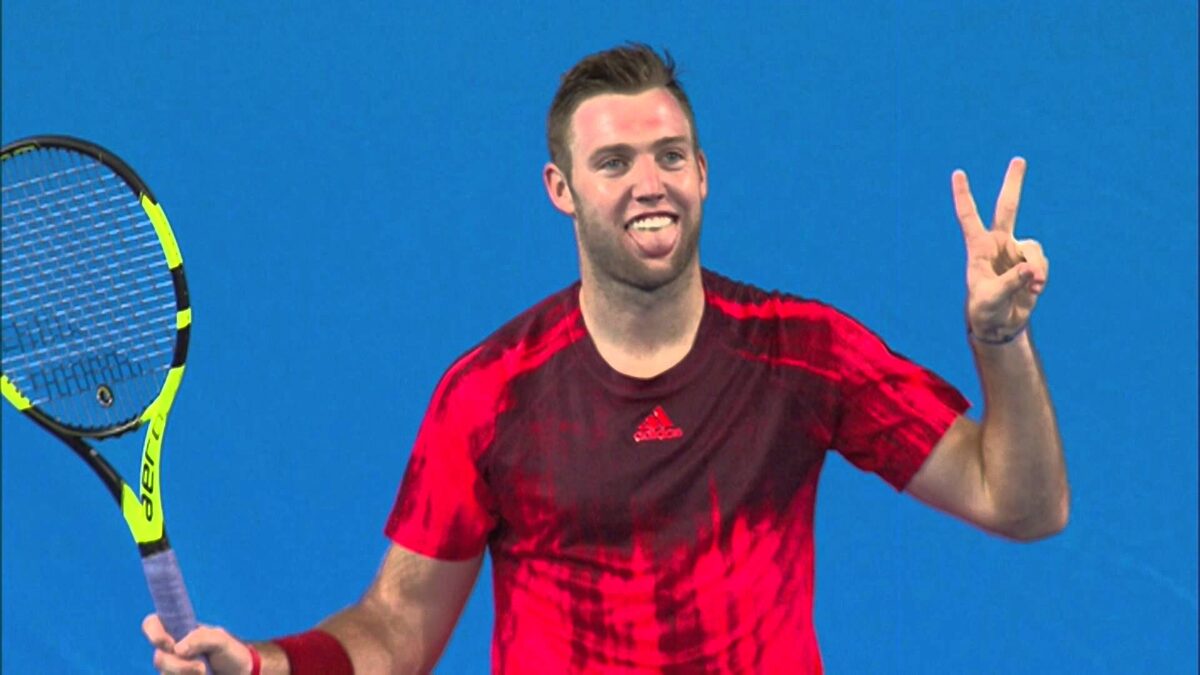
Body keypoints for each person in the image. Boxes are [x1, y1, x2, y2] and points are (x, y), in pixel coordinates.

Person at [145, 44, 1067, 674]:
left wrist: (1001, 338)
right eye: (614, 162)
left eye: (670, 155)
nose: (649, 183)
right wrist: (262, 665)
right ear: (562, 188)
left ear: (702, 173)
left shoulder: (805, 352)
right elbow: (396, 629)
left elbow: (1021, 503)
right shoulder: (489, 395)